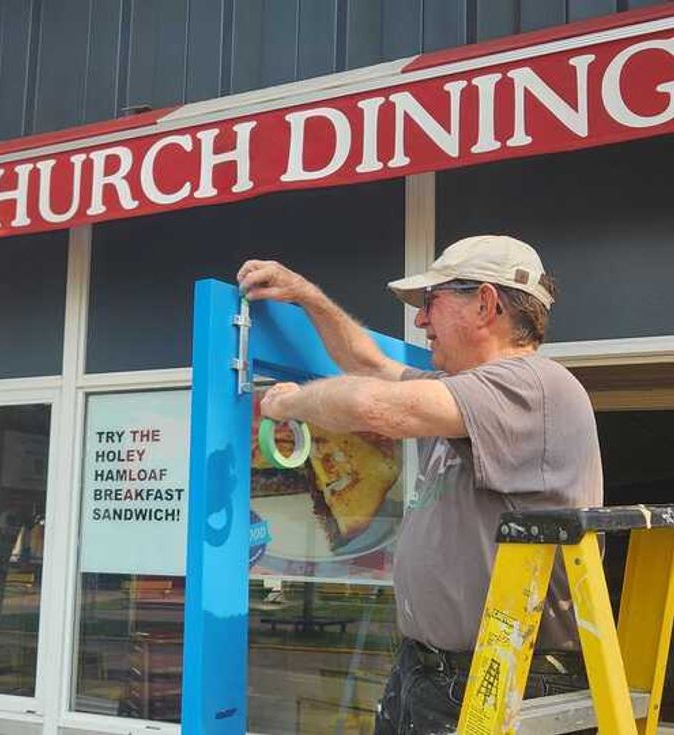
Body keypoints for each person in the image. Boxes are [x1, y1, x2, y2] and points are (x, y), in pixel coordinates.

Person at [237, 235, 603, 734]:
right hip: (435, 672)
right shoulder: (460, 394)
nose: (421, 321)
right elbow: (369, 366)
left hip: (508, 677)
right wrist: (307, 296)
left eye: (431, 302)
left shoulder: (534, 384)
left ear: (485, 303)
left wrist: (289, 403)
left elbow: (375, 406)